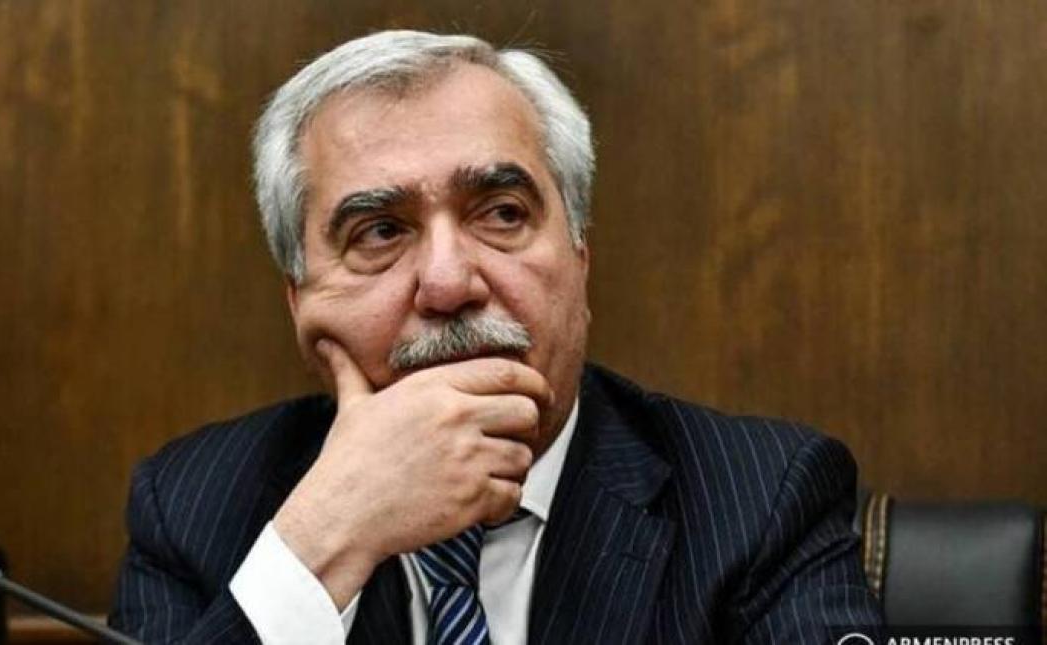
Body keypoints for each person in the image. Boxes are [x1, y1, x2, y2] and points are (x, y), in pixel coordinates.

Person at [108, 30, 883, 644]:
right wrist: (326, 540)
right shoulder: (195, 509)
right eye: (380, 231)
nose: (449, 283)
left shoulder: (760, 500)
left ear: (579, 257)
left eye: (502, 213)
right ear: (302, 301)